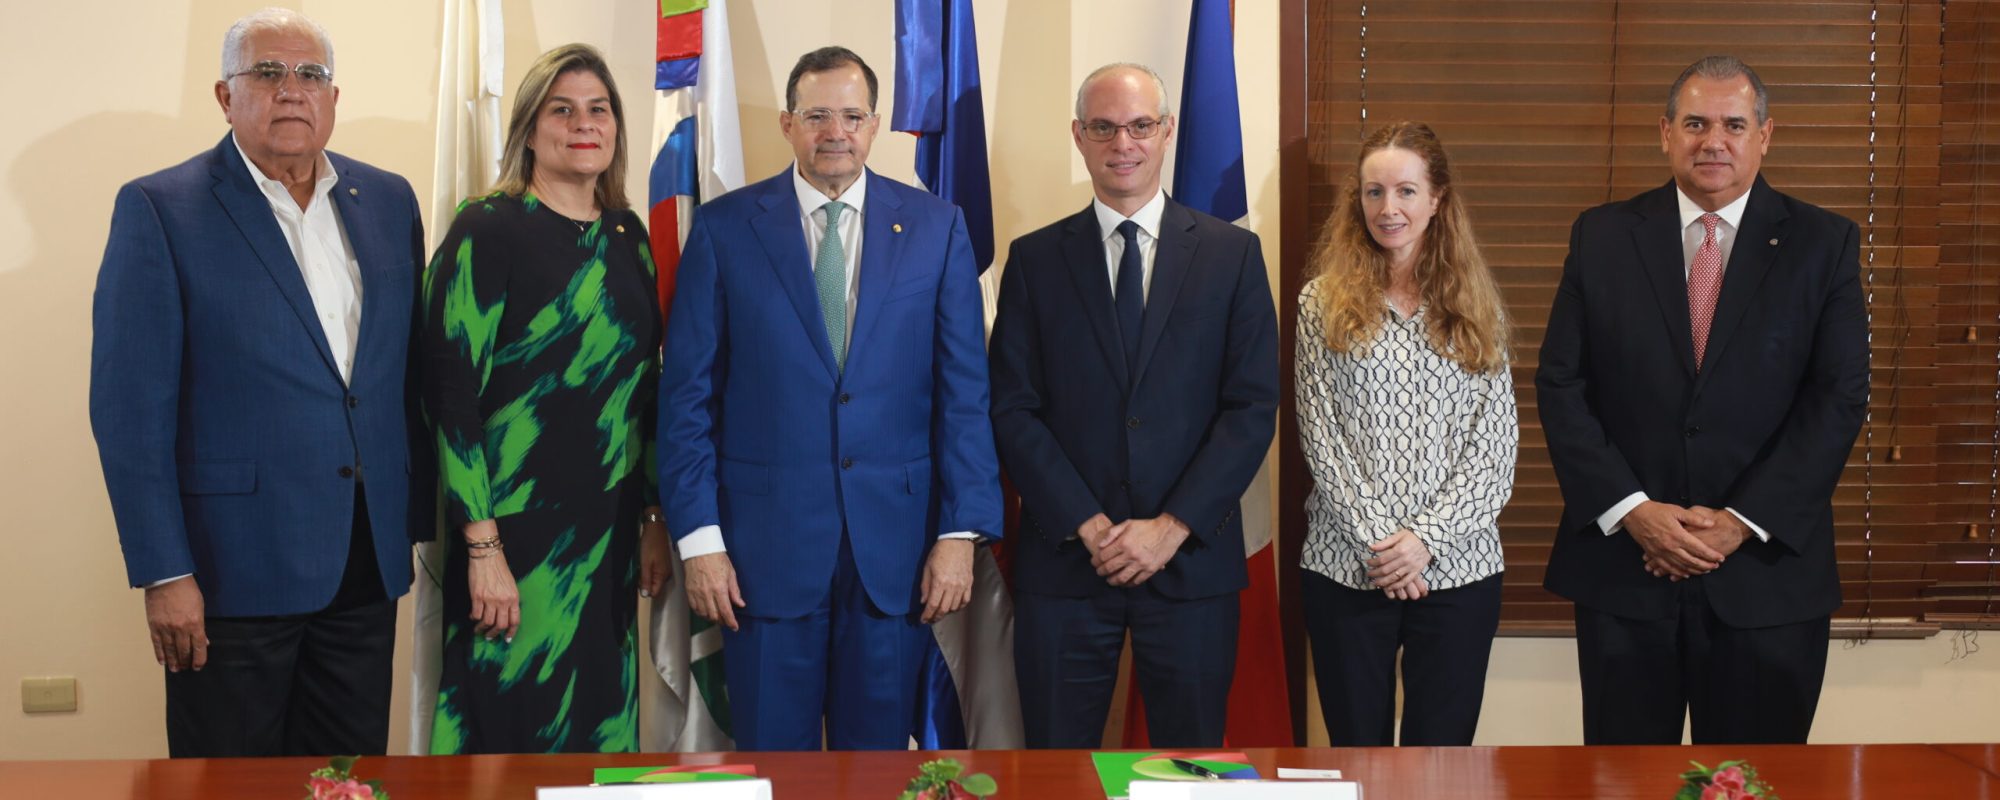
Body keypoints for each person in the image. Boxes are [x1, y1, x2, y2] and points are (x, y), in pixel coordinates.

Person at [88, 8, 431, 757]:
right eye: (267, 73)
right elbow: (128, 412)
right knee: (230, 783)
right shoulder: (161, 209)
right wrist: (164, 569)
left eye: (311, 75)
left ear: (334, 98)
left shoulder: (390, 201)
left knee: (346, 776)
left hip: (364, 561)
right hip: (227, 571)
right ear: (225, 95)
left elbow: (404, 381)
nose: (292, 91)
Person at [656, 45, 1002, 751]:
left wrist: (960, 535)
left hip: (896, 559)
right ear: (787, 123)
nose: (834, 131)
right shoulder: (725, 231)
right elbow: (686, 401)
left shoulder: (937, 229)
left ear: (875, 125)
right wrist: (699, 543)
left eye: (851, 115)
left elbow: (964, 397)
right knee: (774, 768)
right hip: (759, 558)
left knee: (875, 771)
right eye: (817, 115)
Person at [1536, 55, 1868, 744]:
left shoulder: (1823, 243)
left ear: (1765, 135)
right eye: (1694, 123)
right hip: (1628, 575)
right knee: (1623, 788)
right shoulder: (1599, 237)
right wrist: (1637, 513)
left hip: (1766, 582)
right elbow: (1561, 385)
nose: (1712, 140)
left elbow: (1837, 398)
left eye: (1733, 124)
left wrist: (1738, 523)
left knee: (1756, 785)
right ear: (1665, 133)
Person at [989, 63, 1279, 749]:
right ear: (1080, 137)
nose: (1124, 142)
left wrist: (1170, 527)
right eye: (1104, 127)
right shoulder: (1033, 260)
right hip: (1066, 562)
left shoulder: (1232, 255)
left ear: (1168, 131)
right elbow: (1011, 408)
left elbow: (1251, 407)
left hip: (1190, 562)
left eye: (1141, 125)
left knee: (1192, 769)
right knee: (1057, 770)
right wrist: (1089, 526)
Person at [421, 43, 670, 754]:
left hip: (607, 536)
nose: (583, 123)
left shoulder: (628, 237)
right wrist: (483, 546)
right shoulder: (487, 227)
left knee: (598, 724)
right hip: (512, 538)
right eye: (562, 110)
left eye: (598, 109)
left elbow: (645, 387)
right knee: (505, 733)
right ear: (530, 128)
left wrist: (652, 513)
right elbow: (451, 396)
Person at [1293, 121, 1517, 747]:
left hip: (1459, 569)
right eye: (1373, 192)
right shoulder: (1321, 303)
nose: (1388, 209)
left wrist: (1424, 542)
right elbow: (1322, 437)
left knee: (1440, 766)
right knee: (1358, 757)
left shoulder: (1479, 307)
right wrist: (1384, 549)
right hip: (1346, 566)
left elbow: (1494, 450)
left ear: (1438, 198)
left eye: (1406, 191)